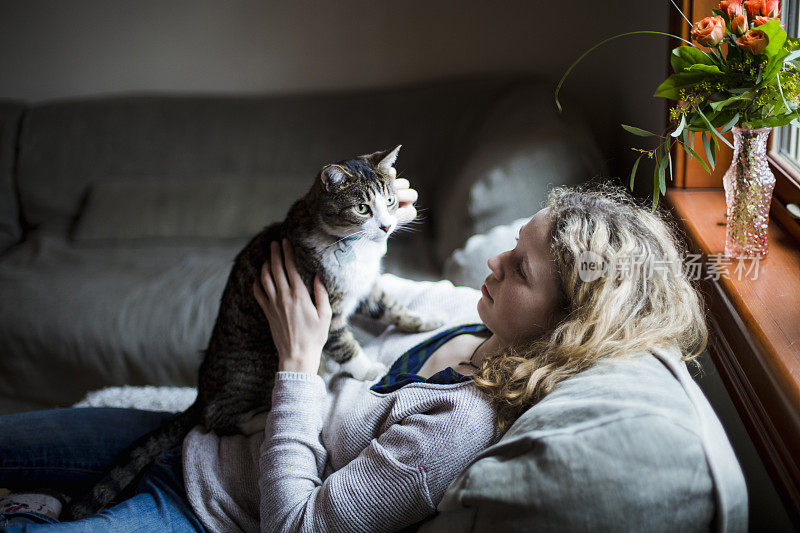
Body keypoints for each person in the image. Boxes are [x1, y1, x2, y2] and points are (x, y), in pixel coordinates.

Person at [0, 181, 742, 532]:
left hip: (207, 507)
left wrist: (296, 363)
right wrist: (381, 219)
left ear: (566, 325)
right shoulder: (478, 325)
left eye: (517, 268)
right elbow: (388, 290)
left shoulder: (453, 429)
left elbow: (296, 526)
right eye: (512, 244)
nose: (491, 262)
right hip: (197, 435)